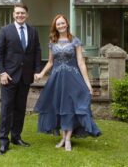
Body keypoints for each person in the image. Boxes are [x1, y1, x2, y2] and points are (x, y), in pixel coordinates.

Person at [34, 14, 101, 151]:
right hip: (57, 79)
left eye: (63, 23)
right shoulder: (52, 42)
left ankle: (68, 139)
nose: (61, 26)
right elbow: (51, 62)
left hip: (73, 79)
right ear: (55, 26)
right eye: (58, 24)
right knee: (59, 107)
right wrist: (41, 73)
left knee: (70, 108)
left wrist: (88, 83)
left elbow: (81, 62)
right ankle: (63, 138)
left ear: (67, 24)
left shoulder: (75, 41)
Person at [0, 3, 42, 155]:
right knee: (7, 109)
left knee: (20, 108)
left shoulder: (33, 31)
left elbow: (37, 51)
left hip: (25, 77)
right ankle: (3, 141)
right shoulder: (5, 30)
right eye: (17, 13)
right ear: (13, 15)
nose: (20, 15)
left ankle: (16, 137)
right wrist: (2, 72)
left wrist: (36, 70)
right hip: (8, 77)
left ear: (27, 14)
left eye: (22, 13)